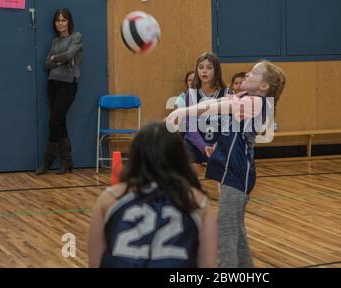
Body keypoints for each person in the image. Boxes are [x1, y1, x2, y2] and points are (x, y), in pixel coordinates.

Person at [167, 60, 286, 268]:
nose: (247, 74)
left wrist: (181, 112)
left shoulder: (257, 102)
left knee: (225, 230)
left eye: (253, 73)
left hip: (238, 173)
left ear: (264, 86)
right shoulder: (245, 97)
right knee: (236, 229)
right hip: (231, 169)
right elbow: (214, 106)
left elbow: (217, 107)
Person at [88, 122, 217, 268]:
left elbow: (95, 263)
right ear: (180, 156)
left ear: (135, 155)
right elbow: (207, 264)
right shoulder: (196, 200)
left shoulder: (111, 198)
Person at [36, 8, 83, 175]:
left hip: (68, 84)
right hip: (53, 84)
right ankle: (67, 162)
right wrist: (59, 59)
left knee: (54, 120)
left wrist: (55, 58)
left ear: (69, 21)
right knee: (60, 121)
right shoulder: (55, 42)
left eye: (63, 20)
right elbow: (46, 64)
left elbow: (70, 55)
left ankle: (48, 160)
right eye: (58, 20)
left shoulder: (76, 37)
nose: (60, 23)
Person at [184, 52, 230, 169]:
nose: (204, 71)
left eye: (209, 68)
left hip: (219, 143)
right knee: (191, 175)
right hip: (195, 143)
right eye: (201, 67)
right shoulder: (192, 94)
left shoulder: (227, 93)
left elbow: (228, 126)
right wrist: (203, 146)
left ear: (217, 71)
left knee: (221, 177)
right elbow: (191, 128)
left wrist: (218, 145)